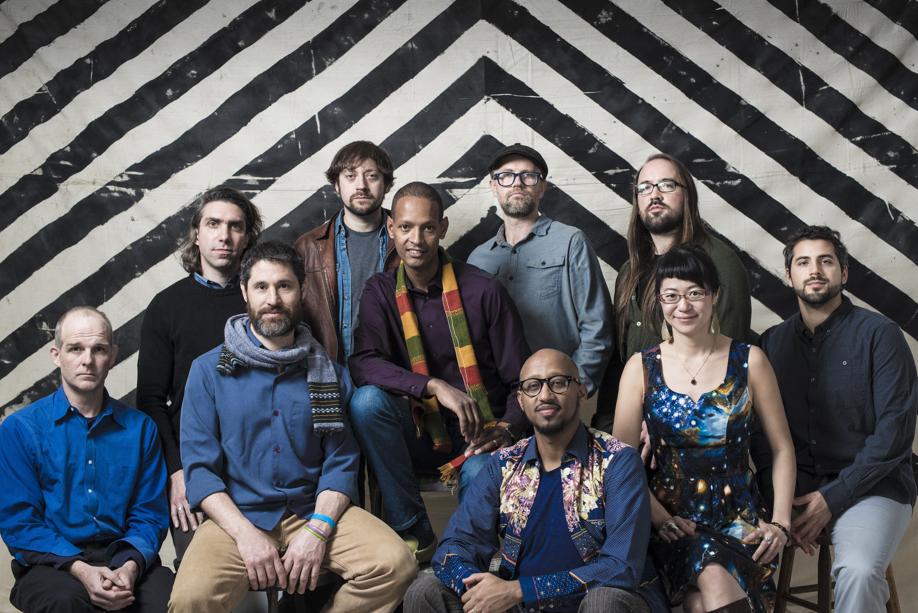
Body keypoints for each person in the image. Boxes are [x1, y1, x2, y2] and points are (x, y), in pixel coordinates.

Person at [169, 241, 414, 613]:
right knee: (190, 600)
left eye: (284, 286)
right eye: (261, 287)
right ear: (244, 292)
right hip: (237, 518)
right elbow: (201, 472)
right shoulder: (208, 371)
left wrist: (317, 530)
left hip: (311, 512)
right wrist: (246, 536)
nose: (273, 299)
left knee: (396, 565)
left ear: (301, 290)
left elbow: (340, 462)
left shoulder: (328, 373)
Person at [404, 348, 669, 613]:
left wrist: (521, 590)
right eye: (532, 386)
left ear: (581, 391)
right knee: (426, 591)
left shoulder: (618, 461)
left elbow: (620, 567)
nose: (545, 395)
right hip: (522, 606)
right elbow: (456, 546)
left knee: (603, 602)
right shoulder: (504, 464)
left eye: (558, 383)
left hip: (601, 604)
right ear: (520, 401)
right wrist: (478, 589)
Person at [348, 181, 530, 561]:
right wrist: (432, 386)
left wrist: (506, 430)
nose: (416, 240)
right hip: (415, 435)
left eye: (427, 228)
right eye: (406, 227)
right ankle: (415, 529)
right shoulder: (379, 292)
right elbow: (364, 363)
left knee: (479, 473)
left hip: (480, 436)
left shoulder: (483, 290)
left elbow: (522, 383)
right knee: (365, 402)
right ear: (391, 228)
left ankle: (461, 559)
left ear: (442, 228)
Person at [613, 245, 795, 613]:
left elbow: (782, 449)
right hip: (672, 521)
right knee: (711, 573)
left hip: (740, 519)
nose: (683, 306)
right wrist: (660, 518)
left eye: (695, 293)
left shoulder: (750, 360)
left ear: (715, 296)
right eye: (671, 295)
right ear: (659, 301)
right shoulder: (640, 368)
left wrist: (780, 523)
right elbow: (620, 464)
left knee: (700, 603)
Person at [752, 226, 917, 613]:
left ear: (843, 273)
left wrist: (833, 498)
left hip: (872, 487)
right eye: (803, 262)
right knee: (731, 558)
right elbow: (760, 435)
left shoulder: (881, 335)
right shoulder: (771, 343)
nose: (814, 270)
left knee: (858, 571)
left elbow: (894, 434)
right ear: (788, 275)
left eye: (826, 261)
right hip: (794, 492)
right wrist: (782, 505)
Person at [0, 307, 173, 612]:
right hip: (51, 564)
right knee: (66, 601)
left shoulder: (141, 429)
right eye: (75, 349)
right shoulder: (20, 429)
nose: (87, 360)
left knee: (173, 599)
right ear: (56, 355)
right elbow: (20, 522)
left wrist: (129, 569)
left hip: (123, 555)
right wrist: (81, 569)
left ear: (113, 355)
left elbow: (149, 514)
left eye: (99, 349)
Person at [136, 186, 262, 561]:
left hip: (262, 463)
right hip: (194, 464)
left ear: (248, 237)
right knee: (200, 572)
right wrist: (176, 473)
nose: (224, 235)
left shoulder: (266, 299)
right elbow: (151, 401)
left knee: (284, 573)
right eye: (213, 224)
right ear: (196, 233)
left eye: (235, 226)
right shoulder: (166, 306)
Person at [595, 153, 751, 431]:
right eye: (645, 188)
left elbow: (729, 361)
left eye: (667, 185)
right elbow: (619, 359)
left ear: (688, 194)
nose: (654, 195)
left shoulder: (718, 262)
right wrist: (610, 426)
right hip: (629, 429)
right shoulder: (629, 272)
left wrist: (663, 422)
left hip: (692, 430)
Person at [468, 143, 614, 396]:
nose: (517, 183)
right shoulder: (477, 259)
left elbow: (597, 324)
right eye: (506, 176)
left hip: (557, 394)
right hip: (499, 398)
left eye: (528, 175)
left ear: (542, 187)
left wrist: (576, 387)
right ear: (493, 187)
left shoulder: (571, 242)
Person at [294, 140, 398, 362]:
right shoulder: (308, 247)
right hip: (327, 369)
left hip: (391, 370)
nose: (361, 186)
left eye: (372, 176)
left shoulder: (408, 241)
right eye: (350, 176)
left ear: (387, 185)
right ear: (337, 185)